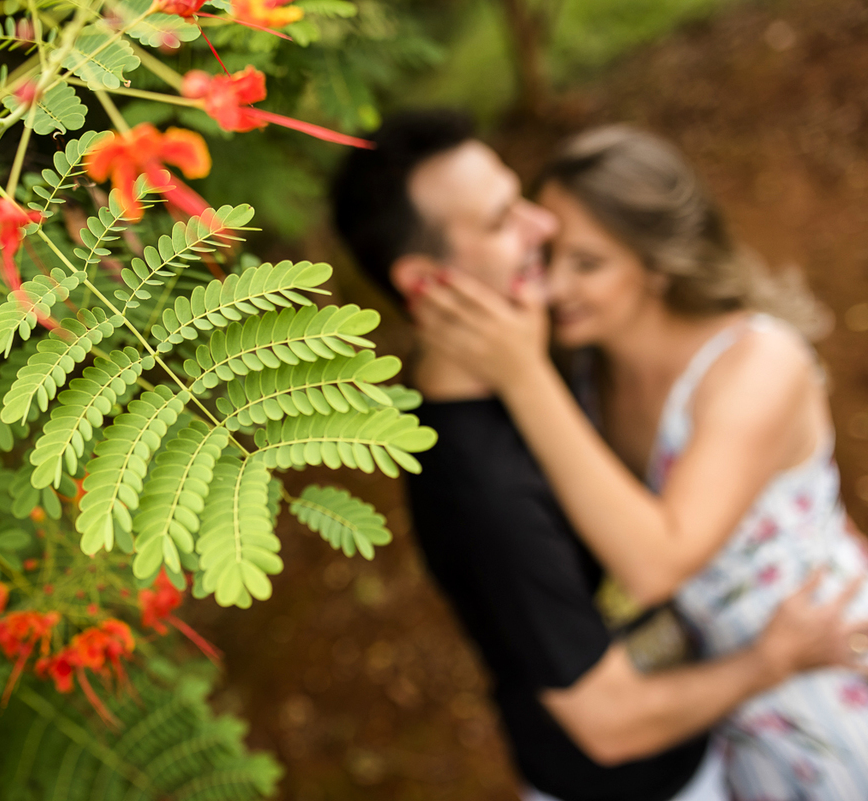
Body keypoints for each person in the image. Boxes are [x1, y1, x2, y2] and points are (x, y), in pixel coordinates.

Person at [330, 111, 868, 801]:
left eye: (585, 261)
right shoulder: (526, 429)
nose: (547, 264)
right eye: (503, 223)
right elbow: (610, 692)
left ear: (656, 265)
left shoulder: (588, 367)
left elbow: (674, 546)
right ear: (427, 280)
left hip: (817, 656)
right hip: (697, 721)